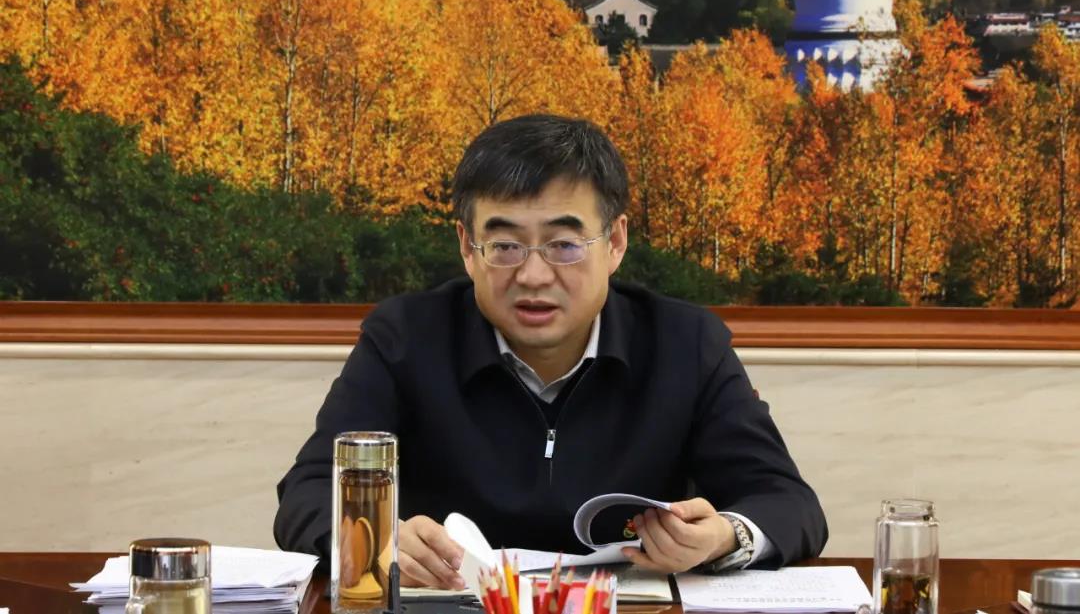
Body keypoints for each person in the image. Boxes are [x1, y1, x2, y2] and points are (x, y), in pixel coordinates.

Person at [274, 114, 827, 589]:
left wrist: (725, 536)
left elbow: (786, 501)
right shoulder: (404, 339)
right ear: (468, 247)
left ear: (615, 243)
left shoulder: (686, 344)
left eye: (563, 245)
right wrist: (379, 539)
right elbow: (308, 493)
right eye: (505, 245)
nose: (534, 275)